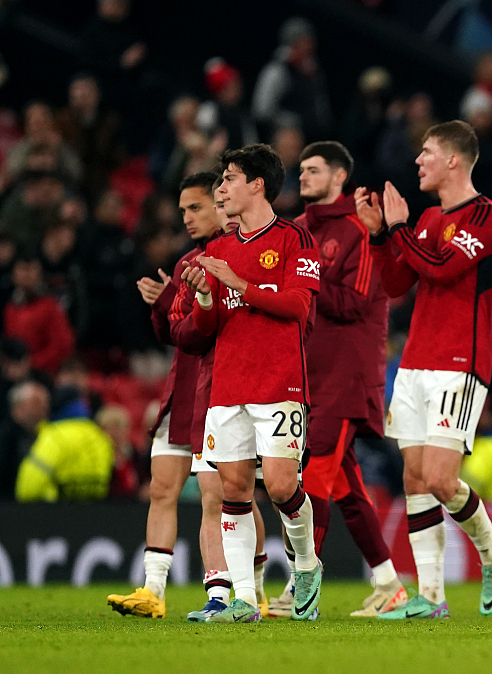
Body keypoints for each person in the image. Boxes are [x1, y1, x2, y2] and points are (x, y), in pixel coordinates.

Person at [356, 120, 492, 619]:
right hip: (416, 363)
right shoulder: (424, 220)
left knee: (443, 480)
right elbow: (399, 282)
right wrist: (382, 236)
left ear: (454, 159)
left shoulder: (488, 217)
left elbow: (443, 267)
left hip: (459, 363)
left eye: (426, 153)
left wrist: (399, 229)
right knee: (415, 477)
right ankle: (432, 597)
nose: (417, 161)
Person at [107, 172, 268, 621]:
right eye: (182, 210)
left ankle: (246, 589)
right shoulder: (186, 265)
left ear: (223, 205)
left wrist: (197, 302)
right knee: (162, 488)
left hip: (225, 391)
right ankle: (153, 591)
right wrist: (165, 303)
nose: (187, 218)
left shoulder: (244, 257)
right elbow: (175, 334)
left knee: (228, 496)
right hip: (185, 387)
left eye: (195, 207)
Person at [181, 144, 321, 623]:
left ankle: (306, 565)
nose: (221, 188)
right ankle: (242, 600)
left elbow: (300, 306)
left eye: (230, 178)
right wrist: (203, 296)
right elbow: (205, 330)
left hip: (279, 381)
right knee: (234, 489)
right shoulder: (216, 250)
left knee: (282, 487)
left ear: (257, 185)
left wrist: (240, 283)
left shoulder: (293, 239)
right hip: (228, 386)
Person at [279, 140, 407, 617]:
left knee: (312, 478)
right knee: (348, 490)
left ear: (338, 177)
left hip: (347, 376)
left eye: (313, 170)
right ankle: (391, 585)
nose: (304, 176)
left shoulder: (358, 227)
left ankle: (300, 586)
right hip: (309, 374)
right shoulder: (295, 230)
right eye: (302, 169)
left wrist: (306, 281)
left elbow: (354, 302)